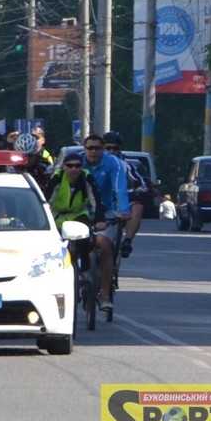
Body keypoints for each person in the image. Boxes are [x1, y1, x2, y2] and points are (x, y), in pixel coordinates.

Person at [80, 134, 130, 313]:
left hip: (107, 213)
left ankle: (105, 294)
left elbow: (119, 188)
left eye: (97, 148)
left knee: (105, 245)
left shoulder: (113, 163)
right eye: (90, 148)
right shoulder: (76, 163)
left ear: (103, 150)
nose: (93, 151)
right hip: (79, 212)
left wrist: (123, 210)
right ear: (84, 149)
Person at [45, 152, 106, 268]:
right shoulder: (57, 178)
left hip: (78, 214)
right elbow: (47, 199)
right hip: (57, 216)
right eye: (70, 166)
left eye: (78, 166)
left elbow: (95, 199)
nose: (74, 169)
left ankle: (84, 268)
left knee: (84, 237)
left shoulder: (86, 177)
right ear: (64, 167)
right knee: (52, 243)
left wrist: (99, 219)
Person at [102, 131, 149, 257]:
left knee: (137, 206)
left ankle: (127, 241)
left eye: (115, 148)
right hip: (98, 201)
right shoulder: (91, 162)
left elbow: (141, 184)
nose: (111, 151)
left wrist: (137, 192)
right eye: (108, 148)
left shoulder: (127, 165)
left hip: (121, 203)